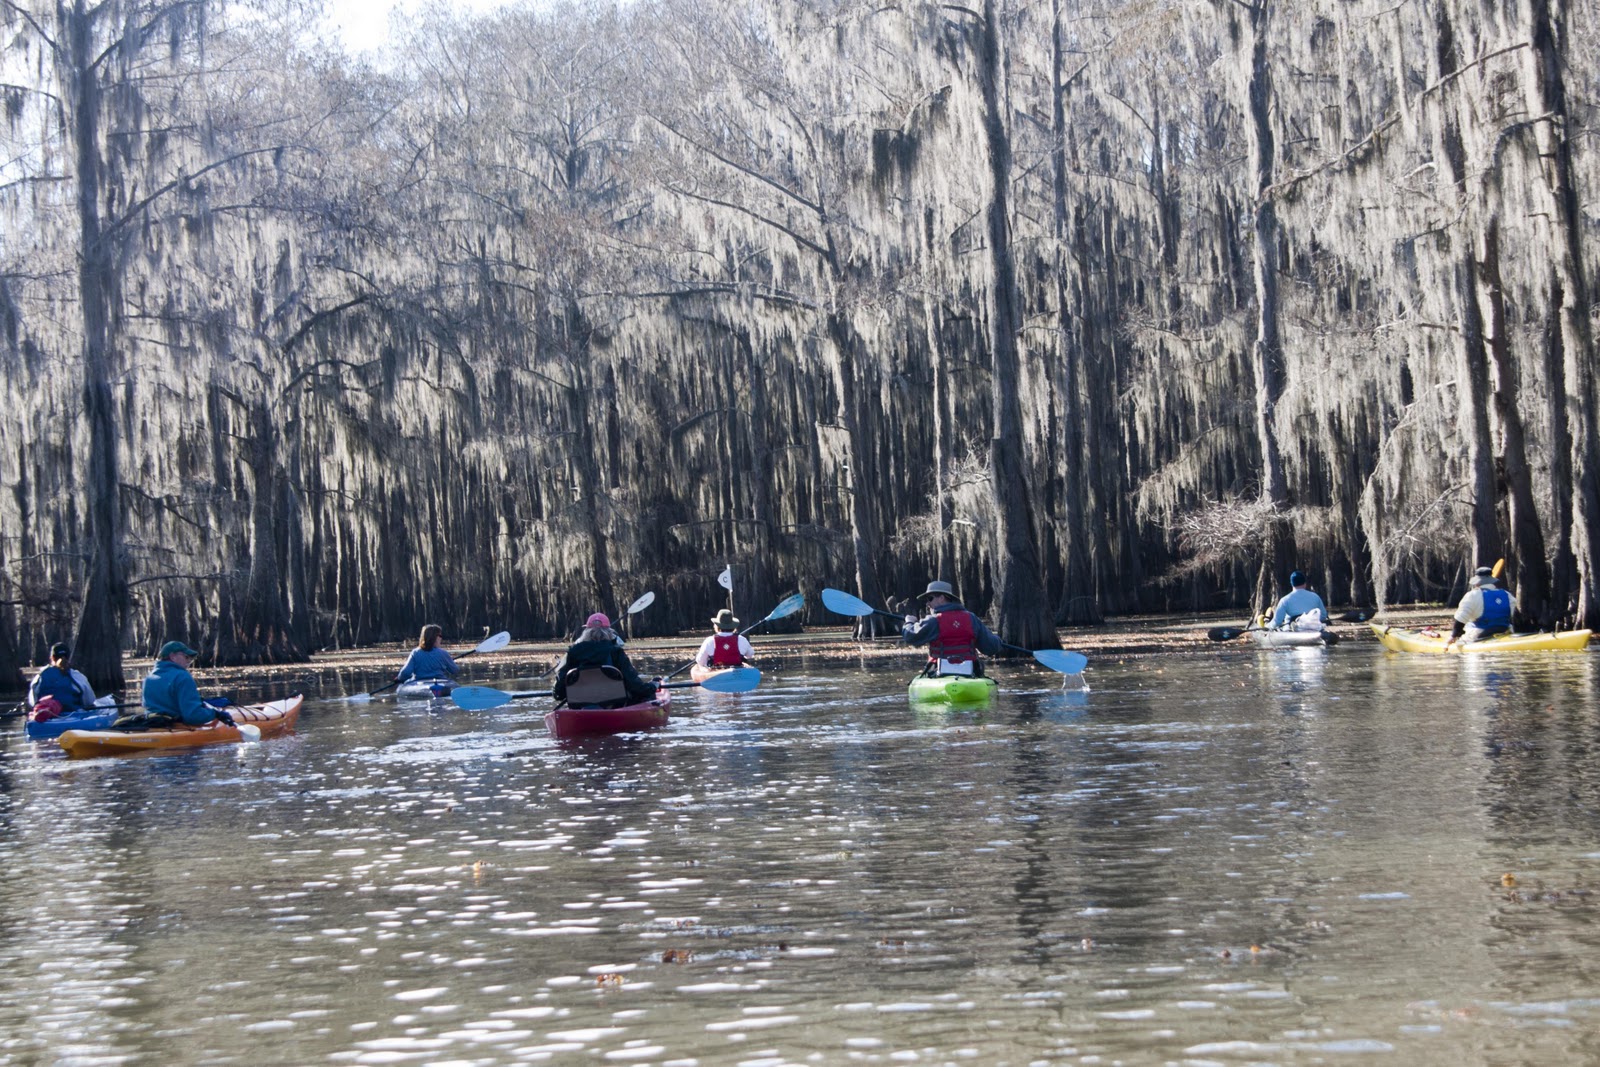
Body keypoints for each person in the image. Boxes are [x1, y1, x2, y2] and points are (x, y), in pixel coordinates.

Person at [552, 613, 658, 706]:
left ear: (586, 631)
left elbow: (558, 693)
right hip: (615, 704)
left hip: (580, 704)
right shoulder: (616, 652)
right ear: (609, 632)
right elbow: (635, 686)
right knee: (646, 696)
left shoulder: (572, 653)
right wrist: (652, 687)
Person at [901, 580, 1002, 677]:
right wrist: (998, 640)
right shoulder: (972, 618)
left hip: (938, 673)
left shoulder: (933, 621)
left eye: (930, 599)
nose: (927, 604)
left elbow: (910, 636)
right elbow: (991, 647)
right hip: (970, 674)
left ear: (941, 598)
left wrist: (909, 622)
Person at [142, 640, 233, 726]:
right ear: (173, 656)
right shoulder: (182, 676)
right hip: (176, 726)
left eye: (191, 658)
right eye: (186, 657)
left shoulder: (148, 678)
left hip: (153, 724)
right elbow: (193, 716)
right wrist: (216, 714)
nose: (189, 661)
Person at [1447, 566, 1516, 647]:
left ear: (1477, 582)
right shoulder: (1507, 594)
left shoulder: (1472, 595)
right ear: (1492, 581)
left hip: (1480, 634)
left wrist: (1453, 636)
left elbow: (1461, 619)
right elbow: (1515, 615)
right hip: (1505, 631)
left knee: (1467, 629)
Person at [28, 643, 97, 715]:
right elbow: (89, 700)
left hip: (47, 716)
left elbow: (33, 702)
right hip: (74, 714)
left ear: (52, 657)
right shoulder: (76, 676)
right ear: (68, 657)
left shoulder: (40, 676)